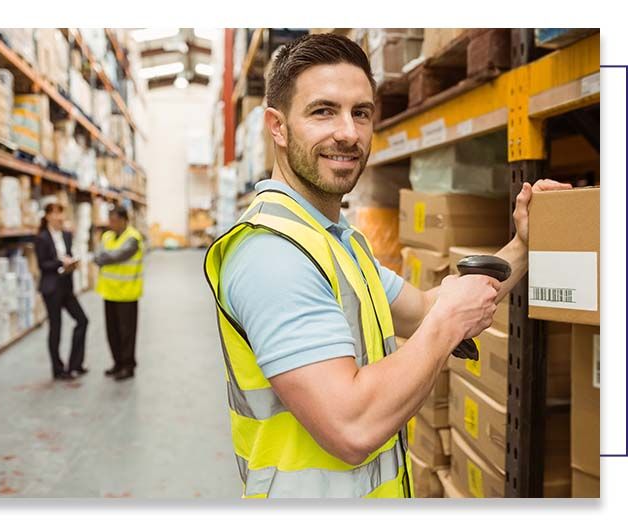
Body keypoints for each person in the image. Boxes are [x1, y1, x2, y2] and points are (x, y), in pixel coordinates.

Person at [204, 33, 572, 499]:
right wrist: (444, 327)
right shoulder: (272, 256)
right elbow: (351, 427)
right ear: (277, 126)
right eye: (323, 111)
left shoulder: (335, 243)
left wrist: (522, 245)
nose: (349, 133)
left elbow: (426, 308)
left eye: (361, 112)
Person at [35, 201, 89, 381]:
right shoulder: (42, 238)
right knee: (55, 329)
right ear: (48, 216)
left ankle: (75, 364)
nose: (60, 217)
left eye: (61, 213)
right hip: (51, 288)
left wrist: (72, 264)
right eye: (56, 213)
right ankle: (58, 370)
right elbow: (43, 265)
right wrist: (61, 263)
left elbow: (68, 255)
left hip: (66, 286)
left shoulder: (66, 235)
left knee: (82, 320)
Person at [94, 206, 144, 381]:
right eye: (110, 220)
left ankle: (128, 366)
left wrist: (104, 257)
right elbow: (98, 254)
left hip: (127, 294)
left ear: (124, 220)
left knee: (127, 334)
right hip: (109, 292)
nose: (111, 224)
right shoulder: (106, 236)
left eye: (114, 220)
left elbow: (117, 256)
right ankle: (117, 363)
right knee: (112, 332)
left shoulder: (133, 238)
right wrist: (103, 256)